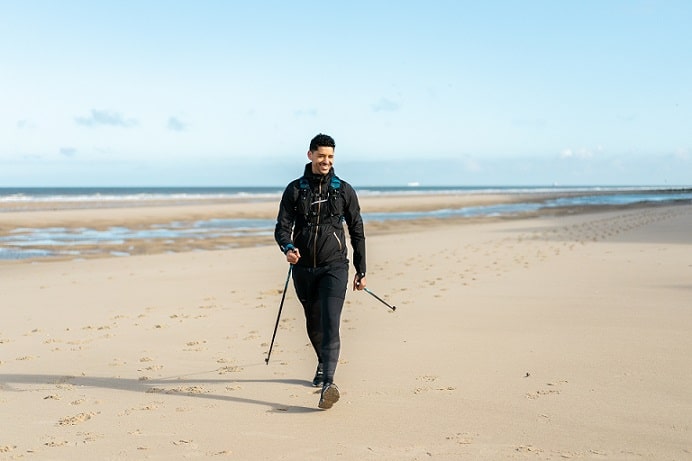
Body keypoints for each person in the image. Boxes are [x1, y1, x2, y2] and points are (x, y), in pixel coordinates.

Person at [274, 133, 367, 410]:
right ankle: (322, 363)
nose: (326, 161)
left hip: (334, 266)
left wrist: (361, 269)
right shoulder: (294, 190)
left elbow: (357, 230)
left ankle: (329, 383)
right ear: (310, 155)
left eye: (331, 157)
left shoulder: (344, 190)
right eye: (322, 155)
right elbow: (282, 227)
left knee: (330, 322)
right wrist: (288, 247)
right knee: (314, 324)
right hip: (303, 268)